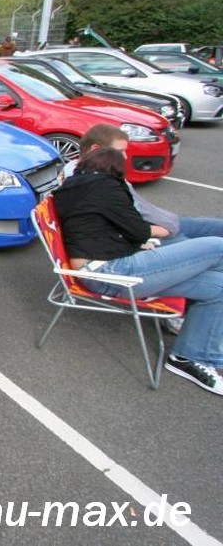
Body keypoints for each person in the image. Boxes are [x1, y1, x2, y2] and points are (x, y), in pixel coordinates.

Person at [55, 147, 223, 395]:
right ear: (117, 169)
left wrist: (137, 241)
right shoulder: (107, 187)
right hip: (112, 273)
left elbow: (98, 229)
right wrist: (151, 236)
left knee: (218, 285)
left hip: (103, 268)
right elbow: (139, 230)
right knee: (217, 247)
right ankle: (202, 342)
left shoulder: (74, 187)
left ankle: (190, 357)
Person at [61, 124, 223, 245]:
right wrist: (159, 231)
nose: (125, 157)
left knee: (214, 228)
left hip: (165, 222)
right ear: (95, 149)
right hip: (155, 232)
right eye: (120, 151)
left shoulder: (95, 172)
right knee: (213, 249)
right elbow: (120, 223)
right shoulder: (87, 181)